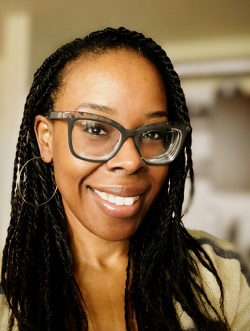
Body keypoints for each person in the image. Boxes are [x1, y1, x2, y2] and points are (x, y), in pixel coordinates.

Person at [0, 27, 249, 331]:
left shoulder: (222, 275)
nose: (132, 161)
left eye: (154, 133)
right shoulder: (6, 294)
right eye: (95, 129)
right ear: (46, 138)